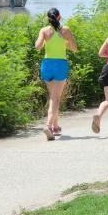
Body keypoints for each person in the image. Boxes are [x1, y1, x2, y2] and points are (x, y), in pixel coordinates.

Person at [35, 8, 78, 140]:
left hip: (47, 65)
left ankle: (55, 127)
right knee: (55, 98)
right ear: (60, 17)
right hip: (60, 65)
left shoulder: (44, 30)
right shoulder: (65, 30)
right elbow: (75, 49)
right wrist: (65, 42)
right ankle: (48, 125)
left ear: (48, 19)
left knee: (53, 96)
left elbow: (37, 46)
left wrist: (44, 40)